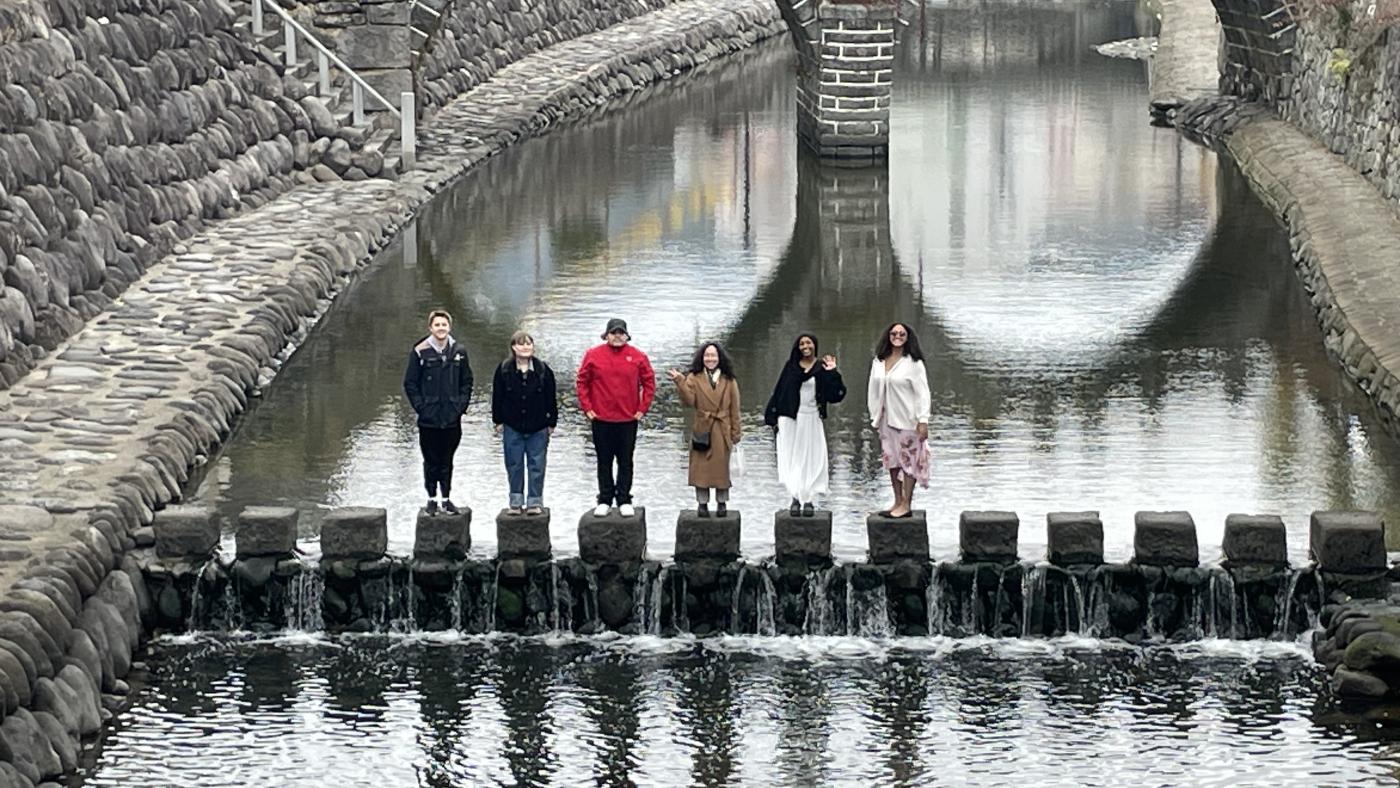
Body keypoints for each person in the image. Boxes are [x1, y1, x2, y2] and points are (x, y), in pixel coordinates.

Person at [576, 318, 655, 518]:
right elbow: (582, 381)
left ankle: (624, 499)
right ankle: (604, 499)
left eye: (621, 333)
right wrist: (588, 408)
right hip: (601, 418)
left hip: (628, 419)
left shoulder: (638, 356)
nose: (617, 336)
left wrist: (642, 409)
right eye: (613, 332)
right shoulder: (593, 355)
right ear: (606, 335)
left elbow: (649, 383)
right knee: (604, 460)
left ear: (627, 335)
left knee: (625, 461)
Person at [764, 333, 846, 517]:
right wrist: (772, 415)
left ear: (814, 346)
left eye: (808, 343)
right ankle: (795, 496)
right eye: (801, 343)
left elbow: (836, 395)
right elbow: (779, 391)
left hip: (811, 417)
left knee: (811, 457)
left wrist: (833, 372)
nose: (805, 346)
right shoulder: (791, 367)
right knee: (792, 457)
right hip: (790, 418)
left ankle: (808, 498)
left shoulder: (821, 368)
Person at [403, 309, 474, 515]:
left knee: (447, 460)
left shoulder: (459, 351)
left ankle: (447, 498)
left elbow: (467, 381)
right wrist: (421, 408)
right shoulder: (420, 351)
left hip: (452, 418)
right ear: (430, 328)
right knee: (431, 460)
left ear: (449, 327)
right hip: (429, 419)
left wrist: (460, 407)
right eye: (437, 325)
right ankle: (432, 498)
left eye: (444, 325)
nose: (441, 328)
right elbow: (410, 383)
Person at [667, 342, 742, 517]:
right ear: (702, 358)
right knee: (700, 468)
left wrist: (736, 432)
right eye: (707, 356)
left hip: (722, 428)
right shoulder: (694, 378)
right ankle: (702, 503)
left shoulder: (729, 380)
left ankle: (722, 502)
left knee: (721, 468)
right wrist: (680, 381)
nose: (710, 359)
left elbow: (735, 408)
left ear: (719, 358)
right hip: (703, 427)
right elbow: (689, 402)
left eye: (713, 355)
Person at [867, 321, 931, 518]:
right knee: (892, 461)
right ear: (888, 336)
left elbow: (923, 393)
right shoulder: (879, 361)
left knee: (909, 462)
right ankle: (896, 500)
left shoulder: (913, 363)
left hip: (907, 420)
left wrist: (923, 419)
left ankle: (906, 503)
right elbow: (872, 389)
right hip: (886, 419)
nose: (897, 336)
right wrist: (873, 415)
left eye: (902, 334)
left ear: (907, 337)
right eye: (894, 333)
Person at [491, 330, 557, 515]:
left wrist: (552, 422)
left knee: (537, 464)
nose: (525, 347)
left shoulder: (543, 370)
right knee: (514, 464)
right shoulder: (504, 369)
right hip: (512, 425)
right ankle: (516, 501)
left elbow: (551, 398)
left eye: (528, 344)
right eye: (521, 344)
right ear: (513, 347)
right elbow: (497, 396)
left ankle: (535, 502)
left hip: (538, 426)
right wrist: (498, 420)